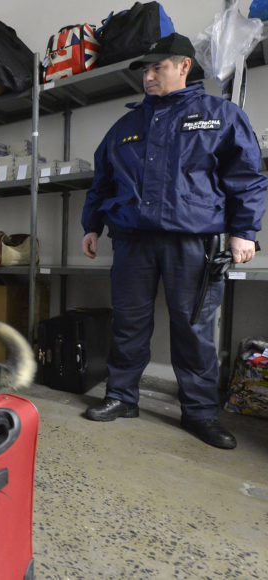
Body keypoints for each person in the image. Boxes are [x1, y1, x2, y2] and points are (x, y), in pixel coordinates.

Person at [80, 33, 267, 449]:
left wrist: (243, 231)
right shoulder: (125, 126)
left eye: (156, 68)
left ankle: (199, 414)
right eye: (144, 70)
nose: (147, 76)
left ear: (183, 66)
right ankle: (121, 397)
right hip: (132, 241)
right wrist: (90, 225)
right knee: (128, 324)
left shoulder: (219, 115)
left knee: (194, 328)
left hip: (193, 242)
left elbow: (248, 178)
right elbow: (102, 181)